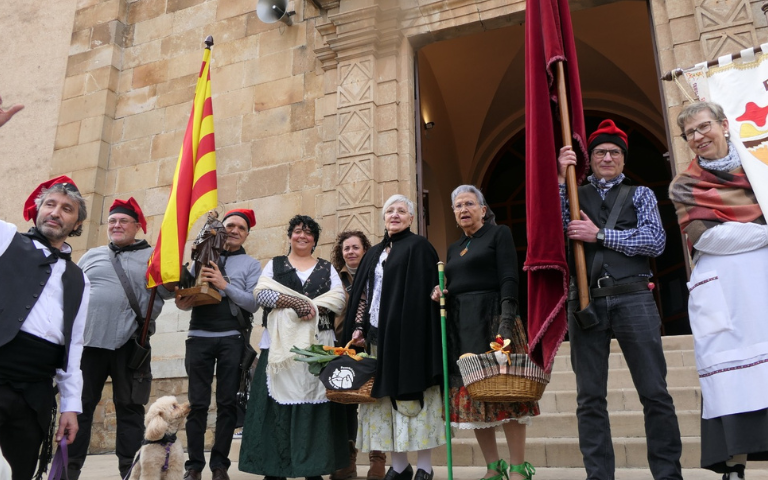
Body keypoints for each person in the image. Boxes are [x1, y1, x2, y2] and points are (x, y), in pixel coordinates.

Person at [557, 120, 683, 480]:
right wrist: (556, 177)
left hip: (633, 298)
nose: (607, 157)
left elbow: (655, 242)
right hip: (585, 300)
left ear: (623, 159)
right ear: (590, 159)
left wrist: (600, 235)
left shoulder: (640, 193)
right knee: (589, 399)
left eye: (614, 152)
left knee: (655, 393)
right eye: (600, 152)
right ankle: (599, 476)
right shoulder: (572, 191)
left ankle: (668, 474)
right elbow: (551, 226)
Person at [669, 101, 768, 479]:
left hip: (763, 281)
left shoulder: (759, 168)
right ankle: (733, 465)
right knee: (731, 377)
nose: (698, 137)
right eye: (689, 133)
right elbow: (705, 239)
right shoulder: (684, 184)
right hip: (722, 289)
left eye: (703, 127)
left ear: (724, 125)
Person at [430, 185, 537, 480]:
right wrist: (440, 292)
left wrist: (506, 323)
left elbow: (509, 278)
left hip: (493, 320)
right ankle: (494, 466)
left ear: (483, 209)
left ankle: (517, 467)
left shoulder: (498, 233)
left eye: (469, 203)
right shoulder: (453, 248)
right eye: (458, 206)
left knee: (506, 396)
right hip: (462, 325)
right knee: (476, 399)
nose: (463, 209)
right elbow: (454, 284)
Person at [67, 198, 173, 480]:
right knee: (79, 407)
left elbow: (171, 291)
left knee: (129, 409)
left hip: (131, 344)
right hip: (88, 344)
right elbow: (71, 292)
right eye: (112, 221)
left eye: (123, 221)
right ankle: (68, 470)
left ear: (137, 226)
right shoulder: (91, 255)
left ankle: (130, 471)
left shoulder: (155, 256)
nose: (116, 225)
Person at [343, 194, 445, 480]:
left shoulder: (421, 247)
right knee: (385, 403)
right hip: (378, 340)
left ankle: (424, 465)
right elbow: (364, 294)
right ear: (384, 218)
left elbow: (429, 294)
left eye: (402, 211)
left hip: (411, 339)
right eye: (390, 211)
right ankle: (399, 466)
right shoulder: (374, 252)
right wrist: (360, 326)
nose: (395, 215)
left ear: (411, 218)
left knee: (416, 401)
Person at [239, 214, 348, 480]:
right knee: (276, 408)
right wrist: (294, 302)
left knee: (315, 406)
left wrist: (309, 306)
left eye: (308, 233)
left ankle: (314, 469)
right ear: (290, 236)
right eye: (297, 231)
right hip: (279, 349)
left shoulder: (326, 268)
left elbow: (338, 299)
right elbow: (262, 293)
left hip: (317, 347)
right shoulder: (275, 265)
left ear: (314, 240)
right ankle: (275, 469)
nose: (302, 236)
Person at [0, 176, 90, 480]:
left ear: (77, 223)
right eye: (49, 204)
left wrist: (70, 406)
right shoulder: (6, 239)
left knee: (22, 472)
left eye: (67, 208)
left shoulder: (80, 279)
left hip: (36, 391)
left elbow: (74, 345)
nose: (55, 212)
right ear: (36, 211)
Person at [175, 209, 262, 480]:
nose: (235, 230)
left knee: (227, 404)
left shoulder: (251, 264)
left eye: (241, 228)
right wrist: (182, 301)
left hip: (232, 338)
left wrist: (224, 285)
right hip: (199, 336)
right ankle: (194, 467)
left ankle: (220, 465)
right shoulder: (200, 255)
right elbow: (186, 298)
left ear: (247, 234)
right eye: (230, 226)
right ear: (220, 229)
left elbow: (253, 302)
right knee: (197, 404)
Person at [329, 230, 387, 480]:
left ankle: (377, 460)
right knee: (346, 404)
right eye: (346, 248)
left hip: (374, 343)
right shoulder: (334, 277)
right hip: (345, 345)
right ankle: (348, 461)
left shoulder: (377, 273)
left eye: (355, 247)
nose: (350, 252)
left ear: (365, 249)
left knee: (376, 402)